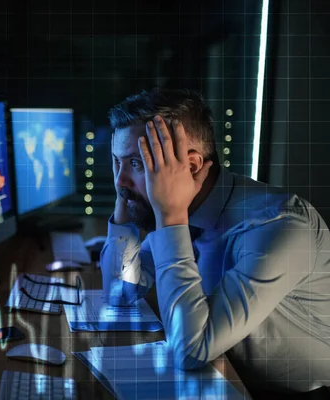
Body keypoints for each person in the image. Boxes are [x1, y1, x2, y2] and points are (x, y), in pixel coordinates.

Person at [101, 88, 330, 398]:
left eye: (136, 164)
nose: (119, 179)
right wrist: (126, 199)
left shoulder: (277, 225)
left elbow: (191, 350)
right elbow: (121, 290)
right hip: (228, 375)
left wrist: (170, 215)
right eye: (117, 163)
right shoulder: (186, 210)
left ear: (191, 167)